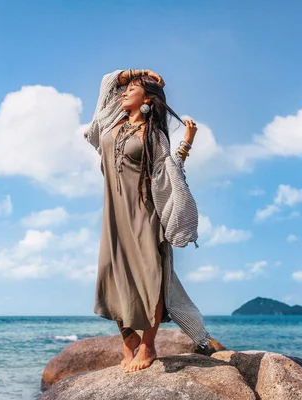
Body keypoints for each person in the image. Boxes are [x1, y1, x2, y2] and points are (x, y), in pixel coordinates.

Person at [84, 69, 225, 373]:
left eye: (131, 90)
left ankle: (147, 345)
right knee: (113, 277)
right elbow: (108, 84)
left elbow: (169, 172)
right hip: (115, 214)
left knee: (152, 277)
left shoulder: (153, 134)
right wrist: (136, 73)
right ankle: (127, 343)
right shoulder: (111, 122)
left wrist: (186, 143)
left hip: (145, 213)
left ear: (146, 98)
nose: (123, 93)